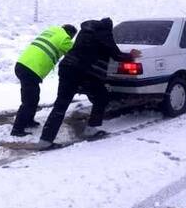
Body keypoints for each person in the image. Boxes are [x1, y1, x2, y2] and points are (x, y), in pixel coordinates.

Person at [37, 17, 141, 149]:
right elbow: (116, 55)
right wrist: (131, 55)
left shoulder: (84, 31)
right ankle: (91, 129)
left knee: (61, 104)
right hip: (84, 71)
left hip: (67, 68)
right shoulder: (104, 33)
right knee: (102, 97)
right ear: (109, 28)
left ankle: (45, 140)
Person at [11, 24, 78, 137]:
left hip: (22, 65)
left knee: (33, 97)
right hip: (31, 69)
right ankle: (17, 129)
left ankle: (28, 121)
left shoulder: (52, 31)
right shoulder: (64, 38)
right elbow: (76, 52)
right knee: (29, 100)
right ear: (70, 34)